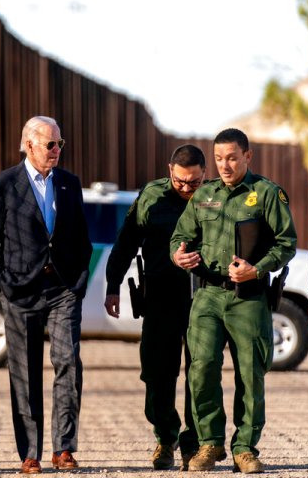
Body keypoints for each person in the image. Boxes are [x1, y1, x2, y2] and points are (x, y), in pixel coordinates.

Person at [170, 128, 297, 474]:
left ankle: (245, 448)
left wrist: (257, 270)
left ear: (247, 156)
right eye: (219, 158)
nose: (224, 165)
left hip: (249, 297)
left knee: (250, 374)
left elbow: (286, 243)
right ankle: (210, 444)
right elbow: (181, 235)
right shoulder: (204, 195)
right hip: (208, 296)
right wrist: (177, 256)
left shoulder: (267, 194)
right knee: (201, 368)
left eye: (232, 158)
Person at [0, 116, 92, 474]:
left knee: (68, 364)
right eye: (51, 144)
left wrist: (79, 280)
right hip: (20, 290)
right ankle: (30, 453)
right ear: (29, 144)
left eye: (60, 144)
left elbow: (80, 236)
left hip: (62, 289)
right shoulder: (3, 184)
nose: (57, 151)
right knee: (25, 373)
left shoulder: (69, 184)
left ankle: (64, 449)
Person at [104, 144, 205, 471]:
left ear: (205, 174)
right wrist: (112, 285)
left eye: (194, 183)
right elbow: (127, 240)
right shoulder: (151, 195)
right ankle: (165, 436)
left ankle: (193, 444)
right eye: (180, 182)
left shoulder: (216, 197)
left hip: (204, 297)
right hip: (161, 294)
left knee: (200, 373)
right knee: (157, 372)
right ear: (169, 171)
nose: (187, 189)